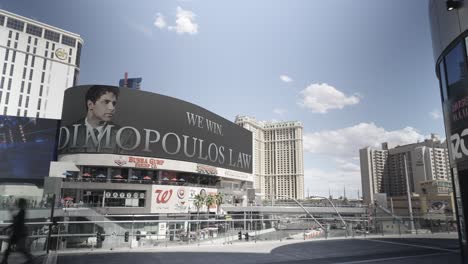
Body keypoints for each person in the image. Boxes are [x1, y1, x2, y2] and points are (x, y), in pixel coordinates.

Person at [58, 85, 136, 154]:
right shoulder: (67, 132)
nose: (112, 108)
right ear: (90, 104)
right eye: (106, 102)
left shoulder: (125, 134)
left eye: (114, 103)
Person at [1, 198, 33, 264]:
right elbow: (17, 222)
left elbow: (16, 222)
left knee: (20, 249)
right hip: (19, 233)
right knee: (18, 249)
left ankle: (30, 260)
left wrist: (12, 214)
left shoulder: (22, 212)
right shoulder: (22, 211)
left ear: (21, 204)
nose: (18, 204)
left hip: (18, 233)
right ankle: (30, 259)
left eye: (19, 203)